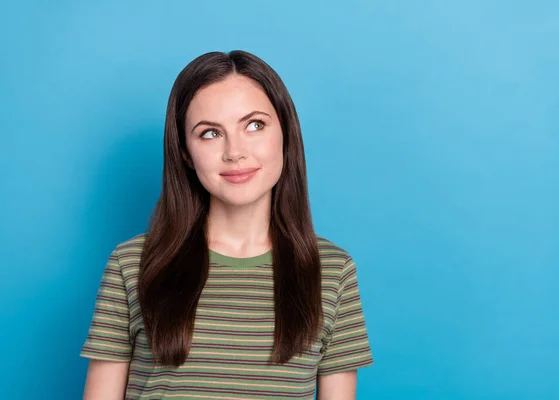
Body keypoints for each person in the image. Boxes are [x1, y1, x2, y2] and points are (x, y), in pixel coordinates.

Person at [80, 50, 373, 399]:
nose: (235, 152)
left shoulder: (333, 270)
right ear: (185, 152)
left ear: (286, 134)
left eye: (254, 125)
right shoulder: (131, 264)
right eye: (209, 133)